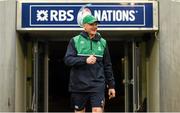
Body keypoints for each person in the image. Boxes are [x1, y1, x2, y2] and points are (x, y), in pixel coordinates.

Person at [64, 14, 116, 113]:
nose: (94, 27)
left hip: (97, 85)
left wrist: (111, 86)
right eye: (91, 24)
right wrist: (85, 60)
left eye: (96, 24)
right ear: (84, 26)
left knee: (97, 110)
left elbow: (107, 66)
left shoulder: (103, 42)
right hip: (79, 86)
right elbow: (68, 60)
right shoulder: (75, 40)